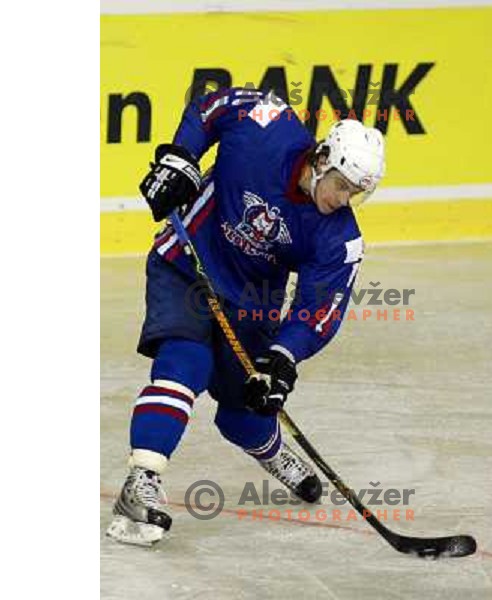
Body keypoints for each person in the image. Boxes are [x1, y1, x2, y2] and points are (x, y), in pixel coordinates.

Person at [106, 87, 386, 546]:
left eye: (356, 193)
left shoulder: (339, 238)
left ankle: (273, 450)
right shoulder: (268, 128)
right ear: (322, 159)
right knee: (185, 362)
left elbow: (318, 309)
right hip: (187, 262)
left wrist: (282, 356)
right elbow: (210, 107)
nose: (344, 200)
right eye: (342, 185)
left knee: (245, 412)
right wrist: (180, 157)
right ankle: (141, 483)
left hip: (251, 300)